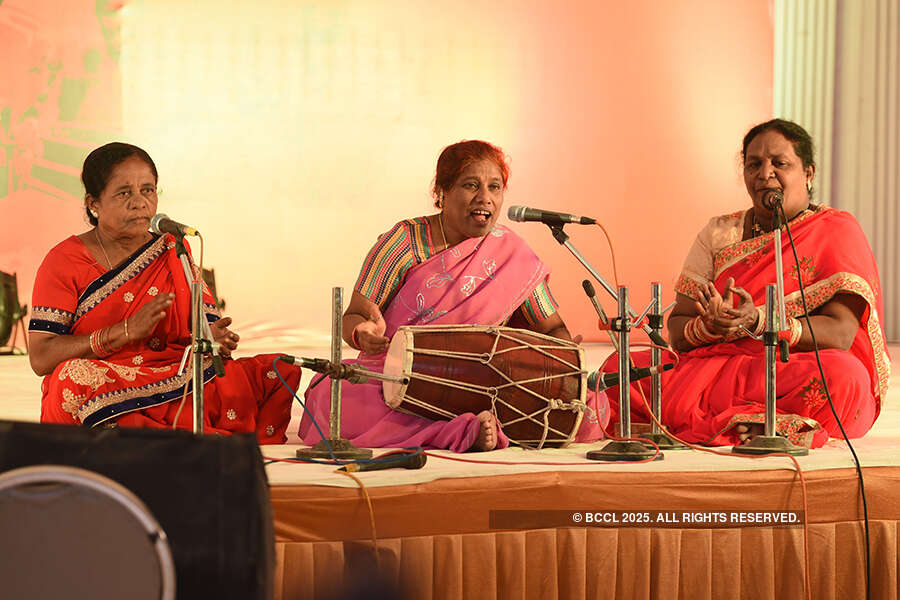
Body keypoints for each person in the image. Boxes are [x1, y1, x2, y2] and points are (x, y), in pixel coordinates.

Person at [298, 140, 608, 451]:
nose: (484, 198)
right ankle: (461, 430)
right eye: (471, 185)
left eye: (494, 187)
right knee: (330, 395)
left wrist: (561, 352)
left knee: (587, 399)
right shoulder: (404, 242)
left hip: (485, 382)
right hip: (397, 379)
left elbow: (551, 327)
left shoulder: (512, 252)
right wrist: (361, 332)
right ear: (441, 192)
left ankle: (468, 426)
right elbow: (354, 315)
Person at [606, 119, 889, 449]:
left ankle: (775, 423)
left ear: (808, 173)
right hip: (717, 367)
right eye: (754, 164)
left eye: (779, 163)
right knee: (620, 368)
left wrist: (761, 320)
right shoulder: (719, 233)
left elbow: (840, 333)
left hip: (788, 367)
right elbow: (678, 331)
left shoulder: (836, 230)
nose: (764, 173)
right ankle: (752, 418)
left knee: (846, 377)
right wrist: (710, 325)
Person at [29, 142, 301, 443]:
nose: (139, 202)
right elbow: (41, 357)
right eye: (124, 193)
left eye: (148, 190)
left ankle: (157, 436)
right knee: (70, 377)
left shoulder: (174, 249)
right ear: (93, 203)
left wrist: (214, 338)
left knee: (274, 369)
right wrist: (124, 332)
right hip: (105, 383)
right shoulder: (65, 260)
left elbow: (204, 332)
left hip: (173, 378)